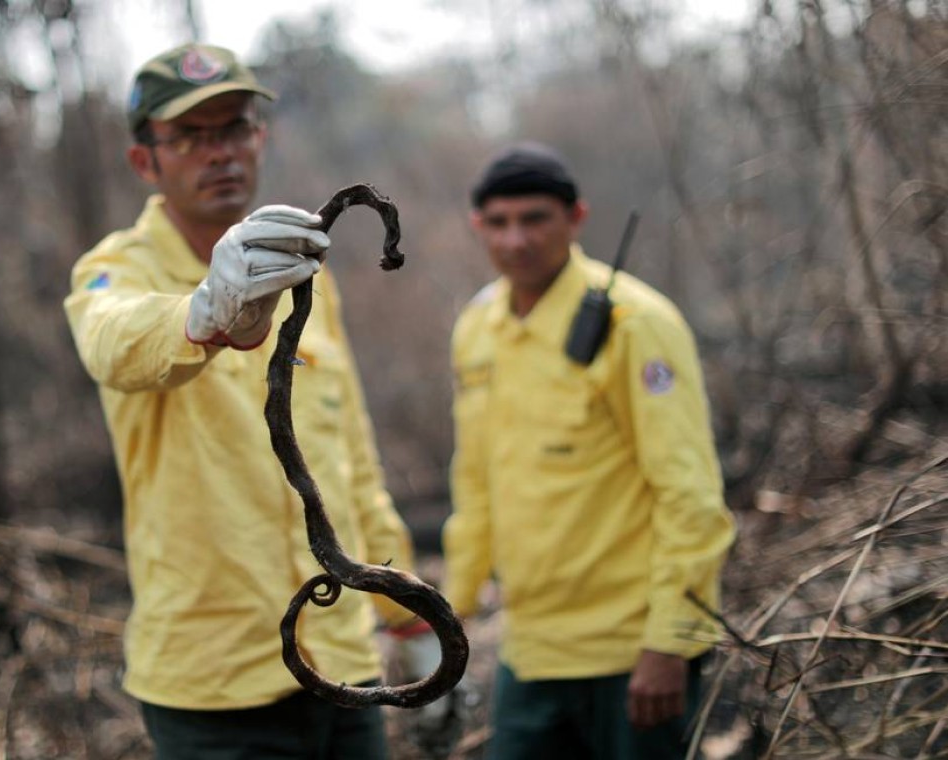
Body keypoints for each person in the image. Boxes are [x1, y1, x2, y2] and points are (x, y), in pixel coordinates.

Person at [64, 43, 444, 759]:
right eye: (190, 137)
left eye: (234, 128)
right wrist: (207, 310)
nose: (220, 153)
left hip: (343, 668)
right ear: (146, 161)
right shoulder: (115, 270)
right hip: (212, 691)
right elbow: (111, 342)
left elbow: (351, 465)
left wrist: (408, 616)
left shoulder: (306, 278)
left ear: (260, 138)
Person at [441, 143, 736, 759]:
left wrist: (671, 642)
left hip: (632, 653)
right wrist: (451, 607)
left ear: (576, 218)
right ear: (478, 227)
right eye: (498, 223)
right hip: (532, 652)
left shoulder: (637, 323)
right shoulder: (477, 331)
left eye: (534, 219)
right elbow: (476, 485)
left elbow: (690, 494)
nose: (515, 240)